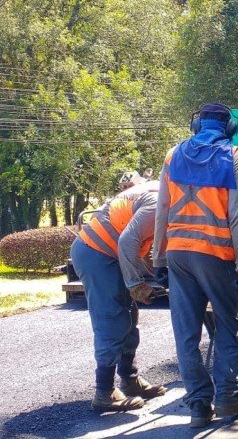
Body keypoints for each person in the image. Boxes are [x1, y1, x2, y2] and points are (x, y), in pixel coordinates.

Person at [152, 102, 238, 428]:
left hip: (178, 254)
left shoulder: (172, 155)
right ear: (229, 127)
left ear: (196, 125)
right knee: (229, 325)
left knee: (186, 332)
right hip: (216, 254)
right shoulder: (234, 157)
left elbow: (162, 209)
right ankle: (227, 398)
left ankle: (198, 406)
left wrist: (158, 257)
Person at [70, 176, 167, 412]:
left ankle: (130, 379)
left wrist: (152, 276)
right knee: (112, 320)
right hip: (97, 254)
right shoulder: (158, 201)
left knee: (130, 317)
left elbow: (139, 244)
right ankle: (104, 393)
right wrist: (136, 284)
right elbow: (127, 242)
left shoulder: (162, 190)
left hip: (109, 254)